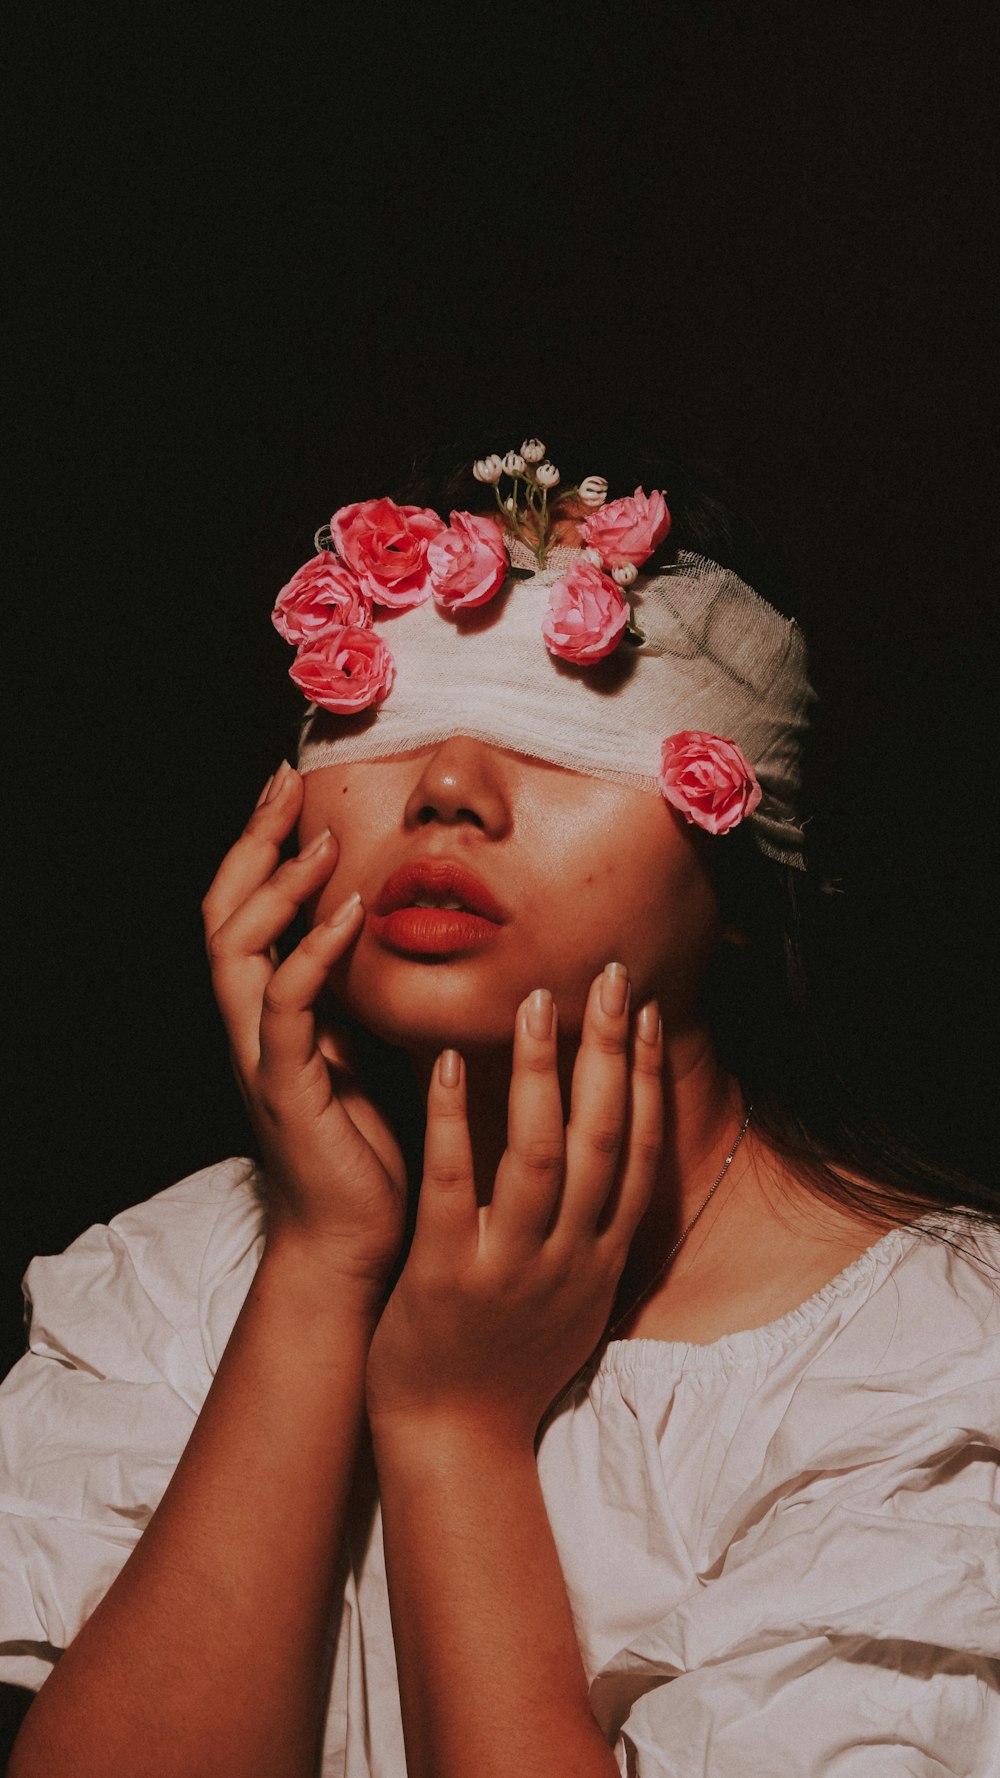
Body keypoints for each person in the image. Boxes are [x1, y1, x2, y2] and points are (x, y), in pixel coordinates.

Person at [1, 432, 997, 1778]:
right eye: (384, 715)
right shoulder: (169, 1292)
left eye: (574, 718)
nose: (449, 788)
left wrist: (454, 1433)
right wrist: (317, 1262)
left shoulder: (935, 1370)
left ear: (751, 875)